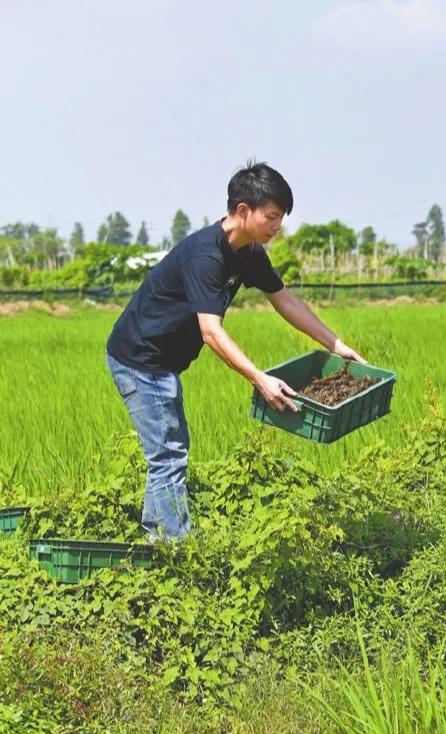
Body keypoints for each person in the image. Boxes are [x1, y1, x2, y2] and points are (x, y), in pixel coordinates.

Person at [104, 161, 364, 540]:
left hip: (163, 363)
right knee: (168, 455)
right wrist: (260, 379)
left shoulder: (250, 253)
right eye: (272, 217)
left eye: (281, 218)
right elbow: (211, 331)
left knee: (171, 451)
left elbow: (285, 301)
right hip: (139, 360)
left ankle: (162, 537)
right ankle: (172, 547)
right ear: (243, 211)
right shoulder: (204, 256)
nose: (277, 227)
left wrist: (337, 345)